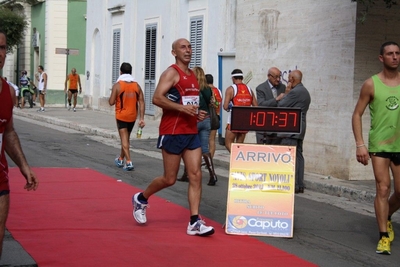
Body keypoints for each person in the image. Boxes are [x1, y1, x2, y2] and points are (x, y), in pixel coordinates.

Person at [132, 38, 214, 236]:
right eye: (182, 48)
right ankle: (141, 198)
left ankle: (194, 221)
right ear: (174, 53)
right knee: (170, 179)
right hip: (172, 131)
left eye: (189, 47)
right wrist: (182, 109)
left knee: (196, 175)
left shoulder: (193, 75)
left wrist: (197, 113)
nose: (187, 50)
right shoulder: (171, 73)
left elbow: (190, 104)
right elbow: (157, 98)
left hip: (190, 131)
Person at [352, 41, 400, 255]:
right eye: (390, 54)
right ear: (381, 58)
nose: (395, 57)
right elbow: (357, 114)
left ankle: (386, 215)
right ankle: (383, 237)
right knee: (383, 188)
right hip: (379, 145)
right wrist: (360, 144)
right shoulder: (371, 84)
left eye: (398, 53)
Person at [0, 29, 39, 259]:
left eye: (2, 48)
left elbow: (9, 131)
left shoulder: (8, 92)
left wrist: (24, 167)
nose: (0, 53)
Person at [178, 67, 218, 186]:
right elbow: (212, 103)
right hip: (206, 120)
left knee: (187, 147)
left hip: (194, 120)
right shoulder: (208, 89)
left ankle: (186, 174)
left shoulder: (192, 88)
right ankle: (212, 175)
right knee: (205, 149)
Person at [277, 70, 311, 194]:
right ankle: (299, 184)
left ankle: (292, 183)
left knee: (289, 156)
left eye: (289, 77)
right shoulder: (305, 91)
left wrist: (286, 93)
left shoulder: (295, 92)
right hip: (300, 129)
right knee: (298, 155)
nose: (288, 80)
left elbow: (281, 105)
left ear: (292, 79)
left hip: (291, 129)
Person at [109, 62, 145, 171]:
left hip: (121, 115)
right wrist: (142, 118)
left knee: (124, 139)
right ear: (131, 72)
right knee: (126, 138)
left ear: (120, 71)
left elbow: (111, 102)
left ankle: (129, 162)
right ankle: (120, 159)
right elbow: (142, 102)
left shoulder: (118, 85)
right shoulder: (136, 85)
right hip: (133, 116)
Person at [223, 69, 258, 153]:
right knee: (239, 145)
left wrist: (230, 106)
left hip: (234, 119)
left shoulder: (231, 89)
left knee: (228, 143)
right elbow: (256, 106)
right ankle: (238, 159)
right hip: (245, 120)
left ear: (233, 78)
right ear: (242, 77)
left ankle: (236, 159)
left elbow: (225, 106)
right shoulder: (249, 89)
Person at [255, 67, 286, 144]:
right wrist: (276, 99)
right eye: (276, 77)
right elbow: (261, 104)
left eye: (279, 76)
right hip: (265, 127)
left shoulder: (283, 87)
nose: (278, 79)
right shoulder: (261, 88)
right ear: (269, 76)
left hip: (278, 126)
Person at [206, 74, 222, 158]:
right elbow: (218, 104)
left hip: (206, 117)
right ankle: (210, 159)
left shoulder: (206, 91)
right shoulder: (218, 91)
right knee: (212, 140)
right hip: (216, 117)